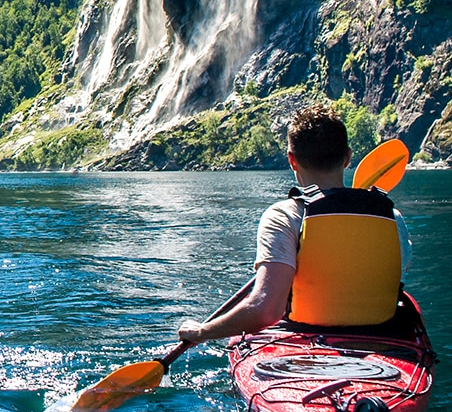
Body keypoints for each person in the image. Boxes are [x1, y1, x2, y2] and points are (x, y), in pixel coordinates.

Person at [177, 104, 413, 345]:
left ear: (292, 160)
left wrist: (202, 332)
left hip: (308, 338)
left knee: (237, 340)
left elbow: (266, 310)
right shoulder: (390, 215)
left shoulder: (284, 216)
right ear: (348, 157)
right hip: (386, 340)